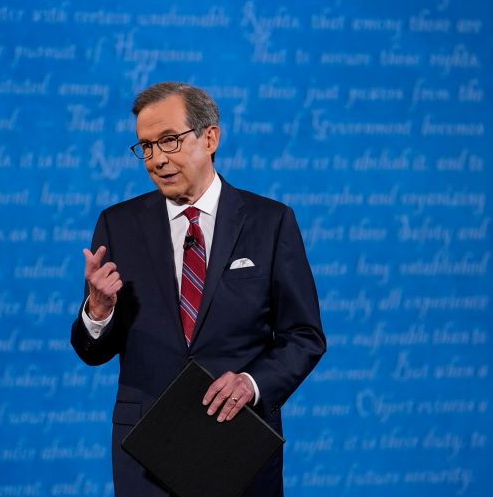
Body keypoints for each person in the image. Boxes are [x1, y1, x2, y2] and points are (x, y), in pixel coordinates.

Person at [71, 81, 325, 496]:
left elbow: (304, 336)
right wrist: (98, 312)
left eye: (169, 140)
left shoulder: (270, 222)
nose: (156, 159)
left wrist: (251, 382)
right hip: (146, 453)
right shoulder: (118, 225)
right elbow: (92, 351)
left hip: (238, 439)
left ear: (210, 138)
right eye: (146, 147)